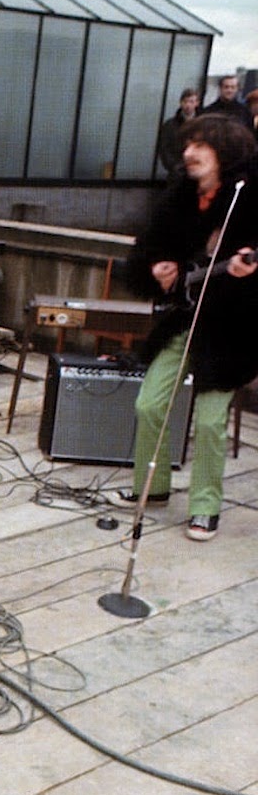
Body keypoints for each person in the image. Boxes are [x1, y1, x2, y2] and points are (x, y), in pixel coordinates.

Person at [120, 114, 258, 541]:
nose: (188, 153)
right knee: (149, 404)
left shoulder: (249, 196)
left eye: (200, 145)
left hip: (231, 330)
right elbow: (147, 252)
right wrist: (156, 270)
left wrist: (247, 267)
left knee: (212, 420)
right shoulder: (178, 196)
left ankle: (204, 506)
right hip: (183, 317)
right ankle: (152, 488)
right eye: (187, 145)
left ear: (226, 153)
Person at [157, 88, 199, 178]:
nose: (188, 105)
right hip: (176, 171)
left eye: (191, 102)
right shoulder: (170, 125)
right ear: (181, 103)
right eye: (185, 101)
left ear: (197, 103)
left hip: (196, 170)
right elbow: (164, 147)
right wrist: (173, 166)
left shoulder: (202, 124)